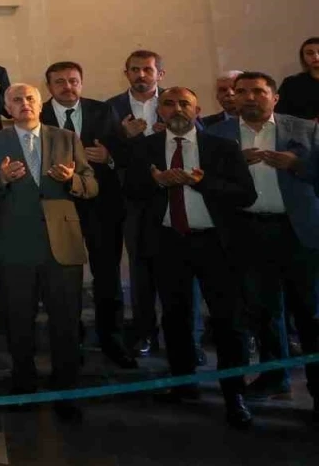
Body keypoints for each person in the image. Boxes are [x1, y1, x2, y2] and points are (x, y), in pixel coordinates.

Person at [124, 86, 256, 428]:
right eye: (169, 104)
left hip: (216, 245)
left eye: (185, 103)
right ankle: (184, 384)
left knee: (228, 321)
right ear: (161, 112)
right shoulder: (145, 148)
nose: (177, 109)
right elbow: (130, 191)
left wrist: (203, 183)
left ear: (198, 111)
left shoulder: (222, 147)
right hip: (168, 243)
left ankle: (234, 392)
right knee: (175, 317)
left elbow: (245, 194)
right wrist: (156, 182)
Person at [0, 83, 96, 423]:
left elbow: (91, 184)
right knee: (18, 320)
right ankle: (24, 386)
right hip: (16, 244)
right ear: (7, 108)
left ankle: (67, 390)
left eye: (30, 98)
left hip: (62, 243)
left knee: (66, 321)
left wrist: (72, 180)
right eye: (16, 100)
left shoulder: (66, 138)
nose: (24, 103)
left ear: (40, 104)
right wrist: (1, 178)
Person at [209, 72, 319, 412]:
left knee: (310, 313)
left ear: (275, 97)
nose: (249, 97)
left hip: (297, 232)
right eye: (241, 91)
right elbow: (207, 181)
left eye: (258, 91)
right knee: (263, 312)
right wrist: (234, 164)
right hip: (248, 232)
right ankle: (274, 378)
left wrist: (297, 165)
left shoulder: (306, 130)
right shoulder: (218, 134)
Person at [41, 62, 136, 368]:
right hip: (58, 207)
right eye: (59, 82)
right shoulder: (37, 114)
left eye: (73, 81)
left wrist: (109, 157)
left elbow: (125, 152)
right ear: (49, 87)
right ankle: (71, 340)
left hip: (101, 207)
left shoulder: (103, 111)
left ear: (81, 83)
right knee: (63, 278)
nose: (67, 87)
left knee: (107, 275)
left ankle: (112, 338)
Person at [108, 48, 166, 356]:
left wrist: (170, 132)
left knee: (180, 269)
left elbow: (199, 140)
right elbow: (104, 153)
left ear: (160, 74)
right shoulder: (111, 108)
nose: (141, 75)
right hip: (131, 199)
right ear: (126, 73)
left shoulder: (177, 101)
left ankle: (187, 338)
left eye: (147, 69)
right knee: (140, 268)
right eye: (134, 69)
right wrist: (124, 136)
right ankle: (145, 333)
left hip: (173, 196)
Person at [278, 37, 319, 121]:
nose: (316, 56)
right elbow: (280, 114)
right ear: (303, 57)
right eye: (310, 53)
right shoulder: (291, 83)